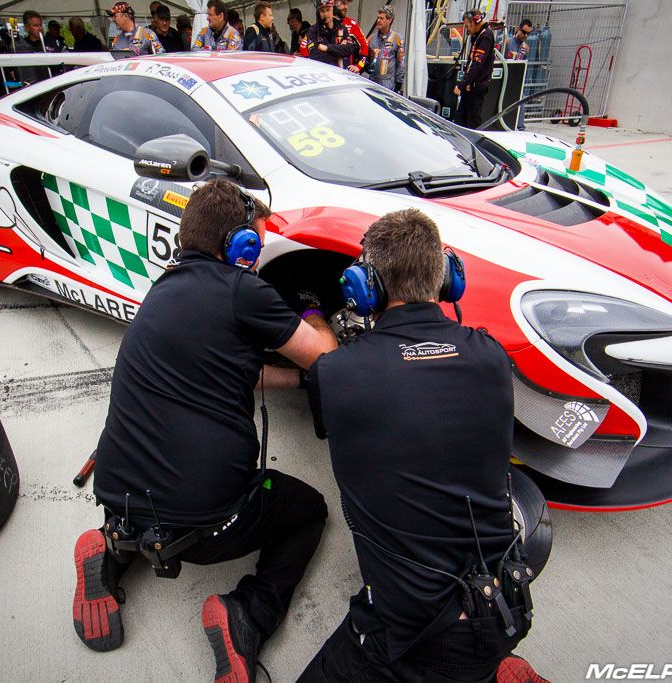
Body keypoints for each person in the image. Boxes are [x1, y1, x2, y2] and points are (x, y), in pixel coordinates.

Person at [72, 180, 336, 681]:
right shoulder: (242, 288)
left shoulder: (163, 288)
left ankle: (110, 552)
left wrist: (296, 378)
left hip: (117, 493)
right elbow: (327, 356)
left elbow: (231, 368)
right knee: (307, 511)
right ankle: (248, 613)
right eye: (254, 245)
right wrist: (313, 311)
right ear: (238, 246)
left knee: (143, 502)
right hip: (206, 525)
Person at [298, 209, 548, 683]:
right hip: (507, 595)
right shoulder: (491, 355)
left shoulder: (337, 375)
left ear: (364, 285)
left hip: (420, 634)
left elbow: (336, 397)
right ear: (449, 279)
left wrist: (314, 314)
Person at [453, 8, 496, 130]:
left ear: (474, 22)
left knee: (473, 121)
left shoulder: (486, 36)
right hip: (470, 86)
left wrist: (461, 85)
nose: (467, 30)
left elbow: (477, 65)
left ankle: (477, 146)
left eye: (467, 26)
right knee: (460, 119)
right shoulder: (477, 35)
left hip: (477, 87)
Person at [300, 0, 356, 68]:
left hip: (341, 73)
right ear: (319, 13)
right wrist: (340, 51)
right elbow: (314, 55)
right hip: (323, 73)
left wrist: (326, 48)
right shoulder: (313, 30)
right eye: (322, 11)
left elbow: (350, 49)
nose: (325, 14)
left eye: (328, 10)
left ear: (333, 10)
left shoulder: (342, 28)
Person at [15, 11, 60, 84]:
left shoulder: (51, 42)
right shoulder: (23, 45)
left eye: (40, 25)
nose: (39, 28)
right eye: (35, 25)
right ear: (27, 28)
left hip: (52, 83)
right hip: (33, 86)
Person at [367, 6, 404, 93]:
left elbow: (401, 63)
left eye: (381, 18)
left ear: (389, 20)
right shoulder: (371, 38)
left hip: (389, 84)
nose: (378, 21)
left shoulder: (398, 39)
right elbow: (365, 58)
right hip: (373, 82)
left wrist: (399, 84)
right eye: (378, 18)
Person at [333, 0, 368, 73]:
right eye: (343, 3)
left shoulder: (352, 24)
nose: (346, 7)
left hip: (346, 74)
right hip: (328, 73)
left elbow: (364, 46)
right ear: (334, 3)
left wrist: (358, 66)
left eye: (347, 4)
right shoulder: (323, 25)